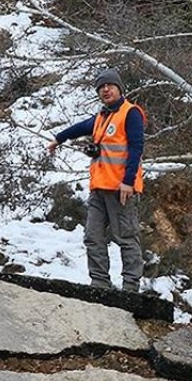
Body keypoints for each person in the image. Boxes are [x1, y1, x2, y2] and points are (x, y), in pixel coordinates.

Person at [46, 69, 146, 291]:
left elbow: (137, 148)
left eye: (109, 85)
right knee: (93, 236)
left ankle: (130, 287)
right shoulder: (101, 117)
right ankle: (100, 283)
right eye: (101, 87)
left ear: (119, 88)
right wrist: (58, 139)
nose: (105, 90)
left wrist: (128, 181)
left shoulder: (131, 113)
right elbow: (80, 127)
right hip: (99, 189)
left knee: (127, 238)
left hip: (121, 188)